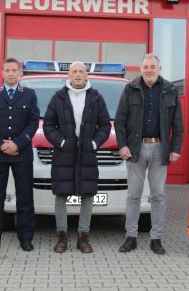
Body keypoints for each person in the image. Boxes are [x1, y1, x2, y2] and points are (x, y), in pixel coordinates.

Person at [115, 54, 183, 254]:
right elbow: (120, 121)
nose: (149, 70)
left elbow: (177, 123)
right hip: (135, 148)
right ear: (140, 68)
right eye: (146, 67)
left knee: (158, 195)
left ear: (159, 68)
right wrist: (122, 145)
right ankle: (131, 237)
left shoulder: (170, 90)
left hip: (159, 148)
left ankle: (156, 239)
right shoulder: (130, 89)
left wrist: (176, 148)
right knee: (133, 194)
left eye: (153, 66)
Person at [43, 61, 111, 253]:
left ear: (86, 74)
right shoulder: (58, 97)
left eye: (81, 71)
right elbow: (48, 125)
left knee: (88, 196)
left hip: (87, 155)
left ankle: (83, 237)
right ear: (69, 75)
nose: (78, 74)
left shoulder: (96, 97)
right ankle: (62, 237)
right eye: (75, 71)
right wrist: (62, 142)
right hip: (64, 154)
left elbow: (105, 125)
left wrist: (94, 143)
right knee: (61, 196)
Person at [0, 58, 39, 252]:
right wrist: (0, 144)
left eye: (14, 70)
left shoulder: (29, 95)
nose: (11, 73)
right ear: (2, 73)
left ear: (20, 73)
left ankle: (25, 238)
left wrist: (17, 143)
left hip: (21, 153)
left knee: (25, 197)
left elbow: (33, 122)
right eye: (7, 70)